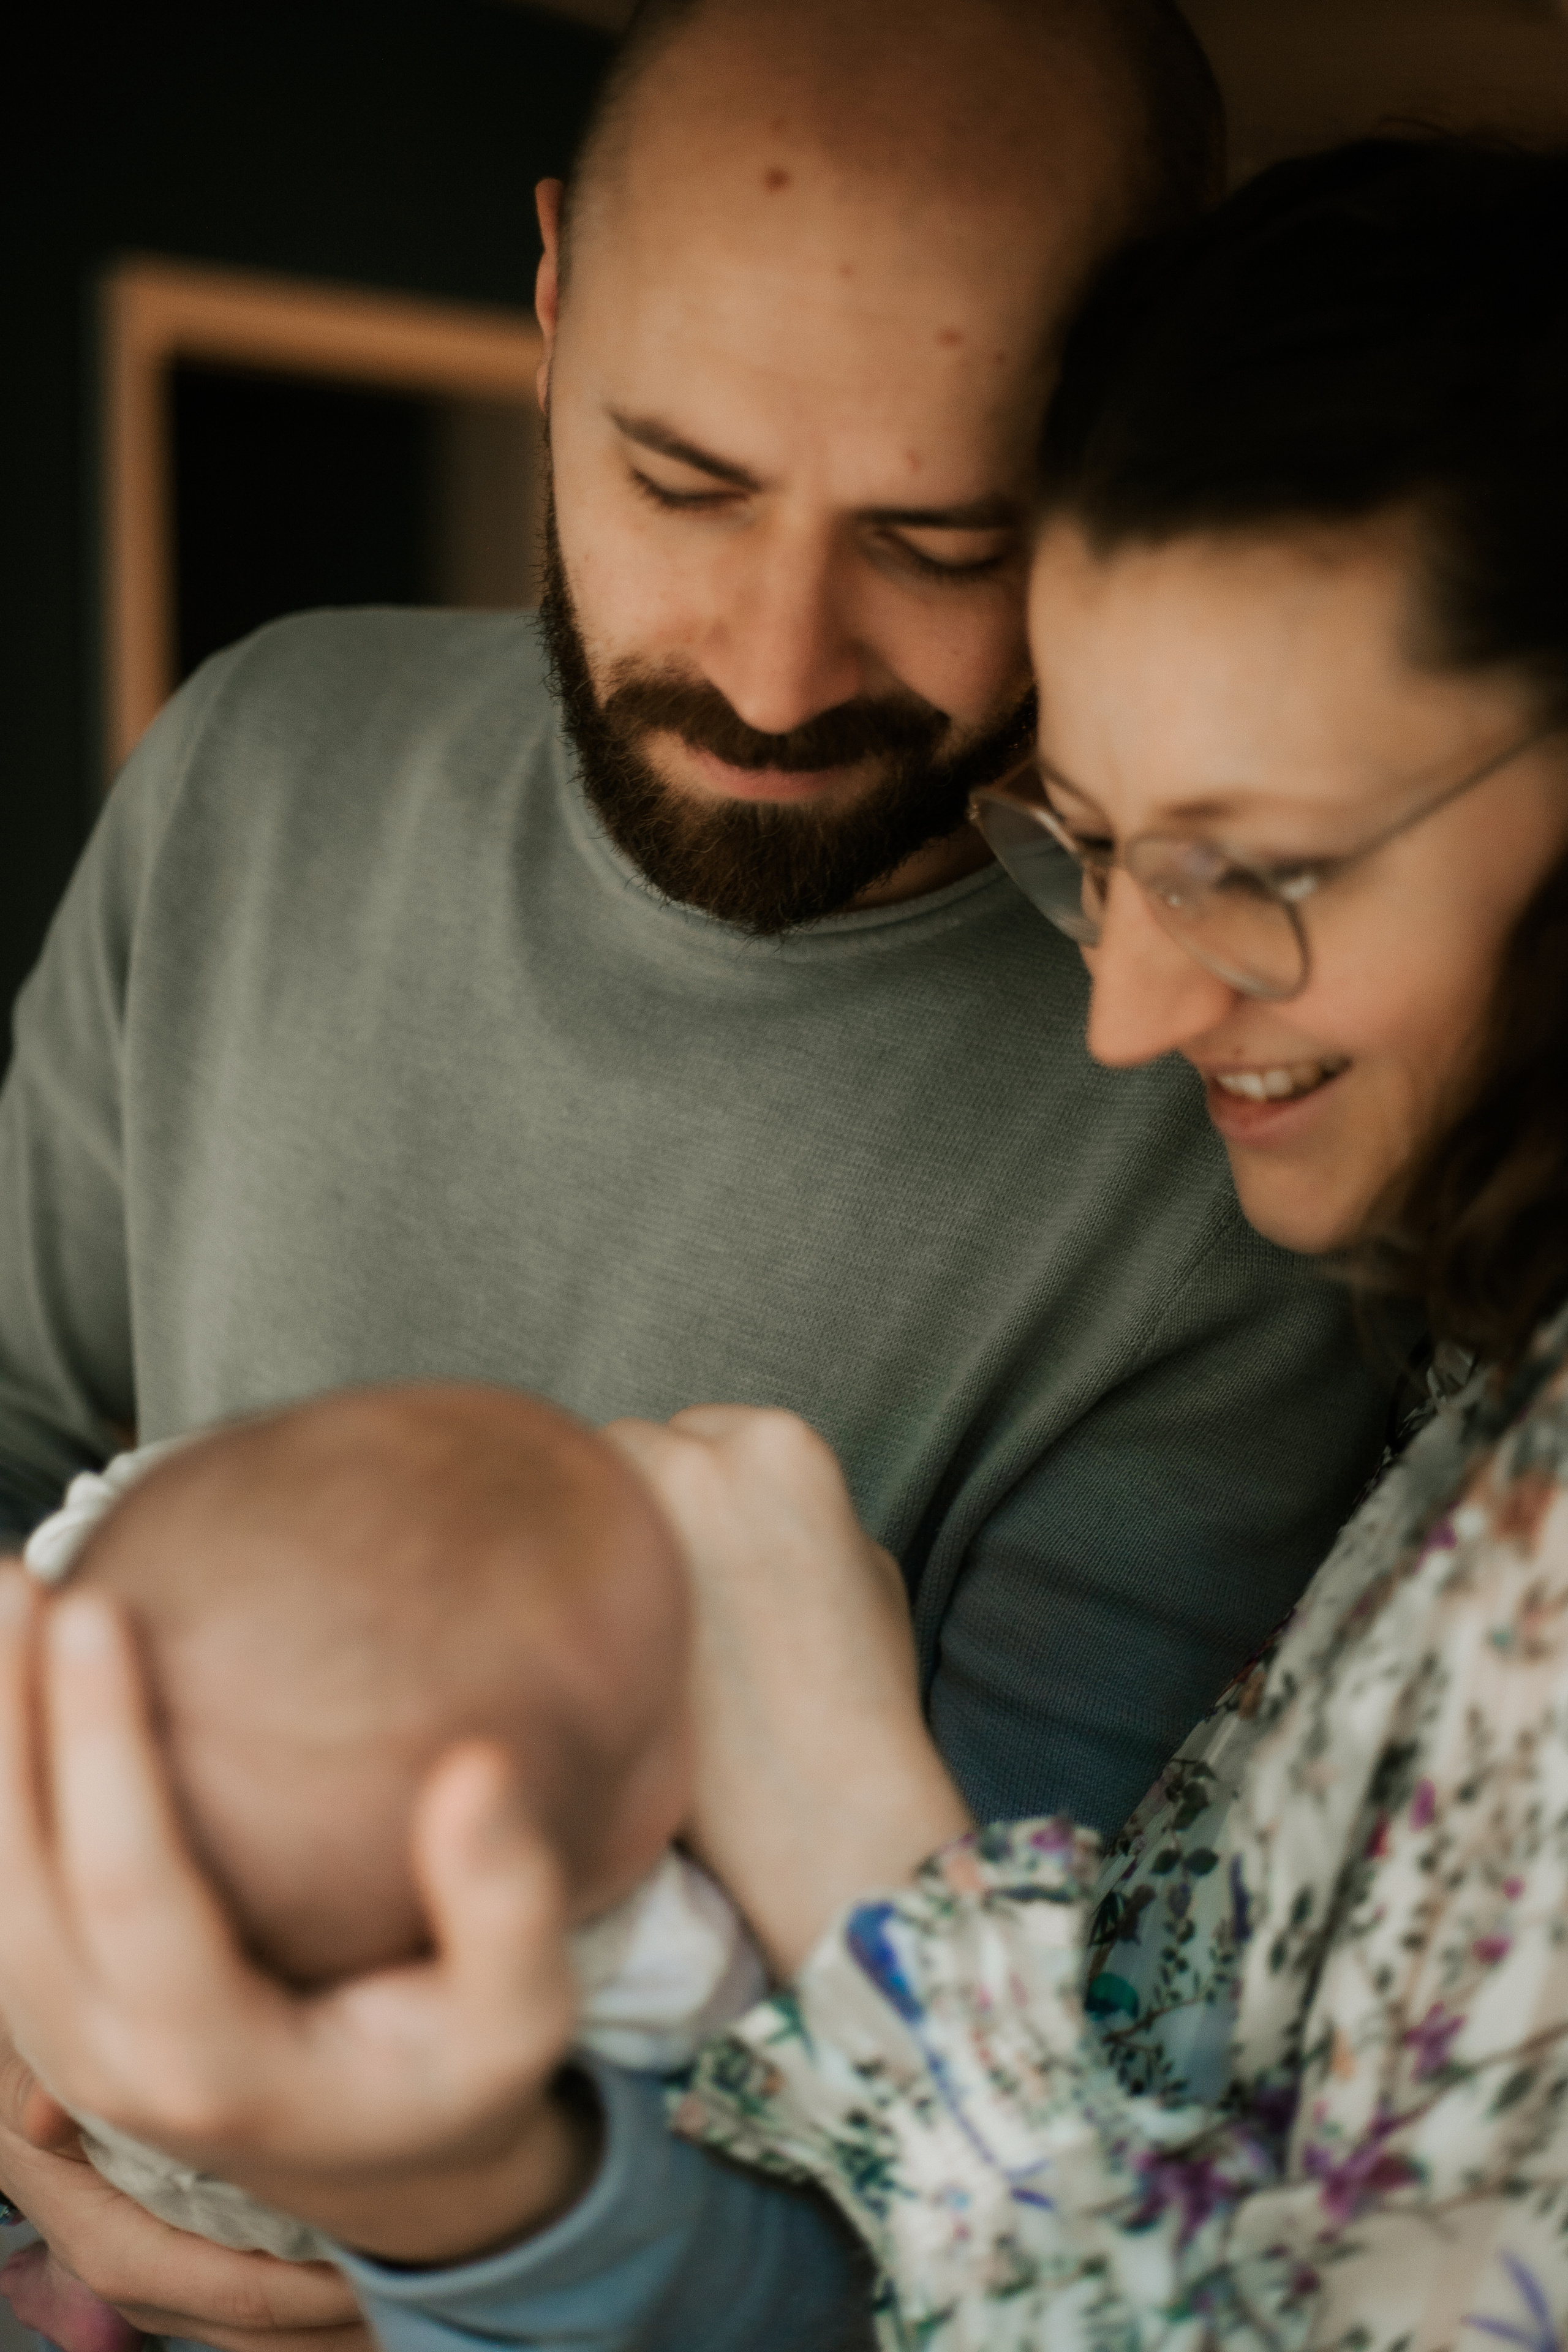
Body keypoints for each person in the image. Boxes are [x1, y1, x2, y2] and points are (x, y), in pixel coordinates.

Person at [0, 2, 1393, 2346]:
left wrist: (419, 2237)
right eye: (681, 481)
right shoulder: (259, 753)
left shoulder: (1239, 1140)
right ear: (551, 301)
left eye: (942, 537)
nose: (771, 668)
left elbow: (948, 2166)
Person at [615, 137, 1568, 2342]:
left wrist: (858, 1850)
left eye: (1256, 870)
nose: (1128, 1015)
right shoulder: (1469, 1371)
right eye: (1102, 848)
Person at [5, 1386, 761, 2348]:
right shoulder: (654, 1944)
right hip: (332, 2236)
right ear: (637, 1826)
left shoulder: (83, 1634)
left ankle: (72, 2280)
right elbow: (740, 2043)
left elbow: (93, 1515)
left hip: (100, 2095)